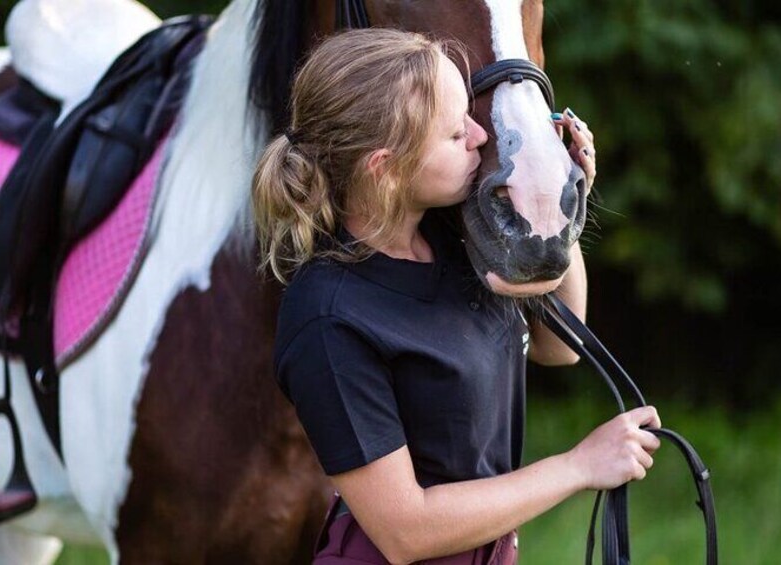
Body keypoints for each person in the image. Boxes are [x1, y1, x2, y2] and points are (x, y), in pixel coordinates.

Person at [252, 28, 661, 565]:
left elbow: (558, 344)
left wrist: (562, 204)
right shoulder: (329, 318)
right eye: (453, 134)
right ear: (385, 170)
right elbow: (405, 532)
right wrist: (578, 466)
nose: (478, 135)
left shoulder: (455, 239)